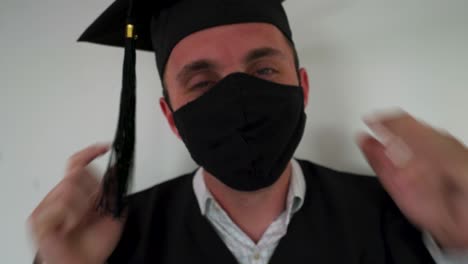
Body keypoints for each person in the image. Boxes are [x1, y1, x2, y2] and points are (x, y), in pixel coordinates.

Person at [28, 0, 468, 263]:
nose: (239, 95)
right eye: (202, 83)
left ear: (304, 87)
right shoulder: (115, 241)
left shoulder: (396, 219)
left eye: (264, 69)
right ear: (170, 116)